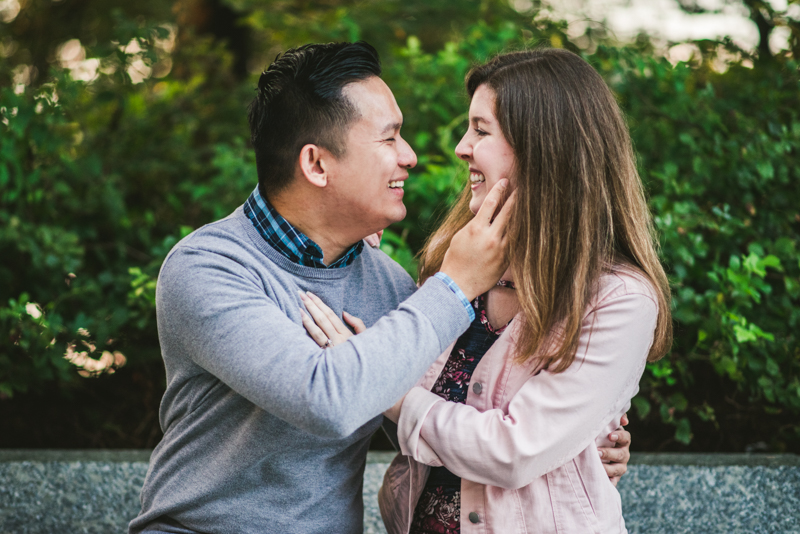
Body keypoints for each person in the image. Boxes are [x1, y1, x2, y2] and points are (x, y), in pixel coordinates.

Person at [129, 42, 629, 534]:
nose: (410, 157)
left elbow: (434, 424)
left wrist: (574, 446)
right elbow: (327, 399)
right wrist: (456, 286)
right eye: (389, 140)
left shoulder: (389, 283)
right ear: (317, 164)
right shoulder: (208, 268)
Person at [301, 47, 670, 533]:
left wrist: (381, 387)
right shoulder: (452, 269)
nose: (461, 147)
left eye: (480, 129)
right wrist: (350, 232)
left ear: (542, 145)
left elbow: (513, 451)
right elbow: (409, 412)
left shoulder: (617, 300)